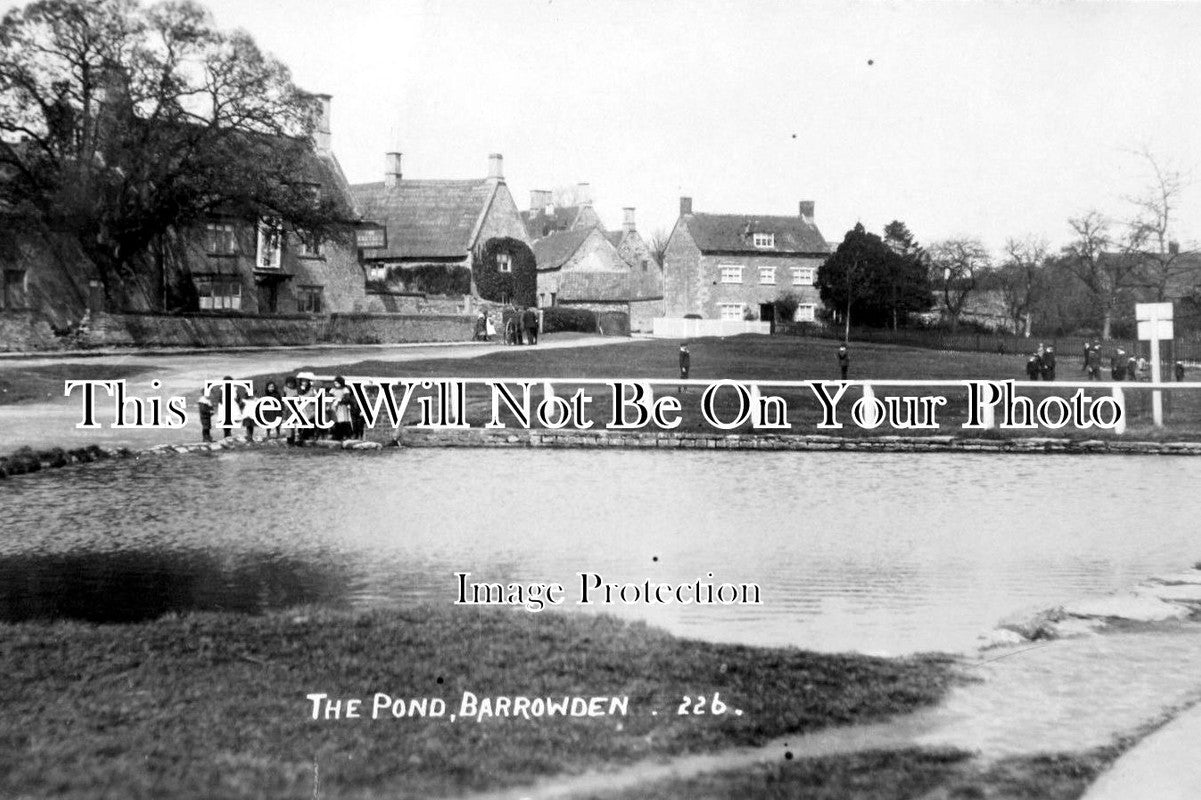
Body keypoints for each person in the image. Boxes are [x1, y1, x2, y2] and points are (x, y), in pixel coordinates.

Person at [330, 376, 353, 441]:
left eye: (337, 383)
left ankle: (345, 435)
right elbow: (329, 397)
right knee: (335, 422)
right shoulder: (333, 390)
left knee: (343, 422)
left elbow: (347, 399)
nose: (336, 385)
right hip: (334, 407)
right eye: (335, 383)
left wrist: (341, 400)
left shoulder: (345, 390)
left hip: (342, 407)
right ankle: (336, 435)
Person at [283, 376, 299, 445]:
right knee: (287, 425)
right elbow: (283, 398)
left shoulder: (297, 390)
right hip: (287, 410)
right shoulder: (285, 389)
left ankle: (293, 439)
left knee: (293, 426)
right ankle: (289, 440)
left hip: (294, 410)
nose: (290, 384)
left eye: (291, 383)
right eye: (288, 383)